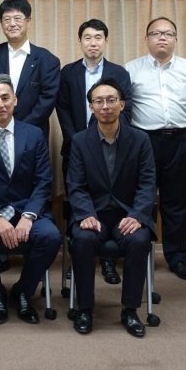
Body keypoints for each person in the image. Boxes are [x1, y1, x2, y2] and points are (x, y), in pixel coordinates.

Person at [0, 74, 61, 325]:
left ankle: (24, 291)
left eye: (5, 98)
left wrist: (28, 216)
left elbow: (43, 181)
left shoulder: (35, 134)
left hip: (27, 208)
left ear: (15, 100)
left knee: (50, 237)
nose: (0, 104)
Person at [67, 78, 156, 337]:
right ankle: (84, 309)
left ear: (122, 104)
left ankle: (130, 310)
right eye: (99, 101)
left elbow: (148, 183)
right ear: (91, 108)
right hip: (93, 215)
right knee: (82, 240)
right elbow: (76, 185)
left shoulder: (140, 140)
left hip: (128, 214)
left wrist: (138, 215)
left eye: (111, 100)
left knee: (139, 241)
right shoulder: (80, 142)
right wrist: (85, 214)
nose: (105, 106)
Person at [125, 16, 186, 281]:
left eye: (168, 33)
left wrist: (177, 121)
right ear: (146, 39)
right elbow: (124, 107)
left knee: (176, 202)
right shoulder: (130, 69)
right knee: (142, 200)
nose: (162, 37)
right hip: (143, 142)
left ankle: (177, 258)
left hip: (180, 142)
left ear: (175, 39)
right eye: (155, 33)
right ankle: (139, 254)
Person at [56, 18, 133, 285]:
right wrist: (78, 140)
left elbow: (127, 110)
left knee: (111, 204)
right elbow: (62, 108)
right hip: (76, 149)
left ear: (106, 41)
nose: (93, 42)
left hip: (112, 149)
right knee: (77, 203)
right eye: (87, 38)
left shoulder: (119, 73)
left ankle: (109, 263)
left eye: (98, 37)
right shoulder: (68, 73)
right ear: (80, 42)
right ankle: (76, 260)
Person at [0, 0, 60, 138]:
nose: (12, 24)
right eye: (6, 19)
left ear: (28, 21)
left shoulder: (47, 60)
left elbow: (46, 101)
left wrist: (21, 129)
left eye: (17, 18)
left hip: (32, 134)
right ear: (1, 23)